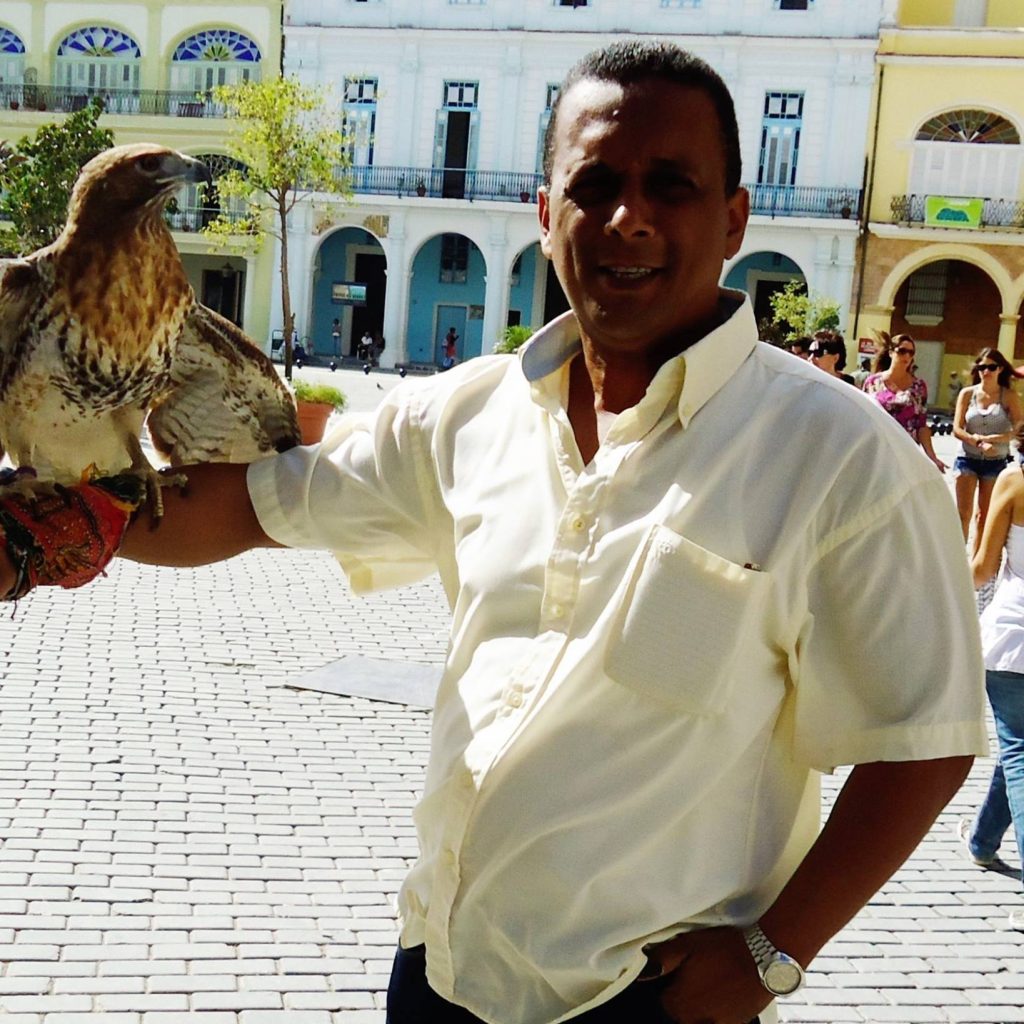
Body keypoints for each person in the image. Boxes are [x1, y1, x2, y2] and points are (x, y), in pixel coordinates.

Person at [0, 41, 987, 1024]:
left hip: (645, 1002)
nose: (626, 215)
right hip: (438, 976)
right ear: (545, 210)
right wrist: (59, 533)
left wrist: (771, 952)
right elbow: (250, 505)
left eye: (670, 184)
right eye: (593, 182)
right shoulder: (465, 416)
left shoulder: (842, 459)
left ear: (733, 216)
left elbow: (925, 739)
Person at [967, 434, 1024, 930]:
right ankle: (983, 842)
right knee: (1019, 749)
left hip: (1014, 636)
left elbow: (984, 568)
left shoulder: (1015, 479)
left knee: (1020, 751)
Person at [952, 347, 1023, 552]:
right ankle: (957, 560)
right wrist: (976, 441)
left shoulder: (1008, 396)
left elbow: (1019, 428)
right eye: (982, 367)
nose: (986, 371)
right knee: (963, 513)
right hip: (967, 457)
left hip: (995, 461)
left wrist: (998, 439)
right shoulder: (967, 394)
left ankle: (977, 563)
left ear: (1000, 369)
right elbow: (957, 429)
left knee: (984, 515)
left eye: (991, 367)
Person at [863, 331, 947, 473]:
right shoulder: (873, 382)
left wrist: (932, 457)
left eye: (911, 352)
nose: (907, 356)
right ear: (891, 352)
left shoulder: (919, 387)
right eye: (902, 351)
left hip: (906, 451)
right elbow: (864, 417)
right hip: (877, 449)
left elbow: (921, 425)